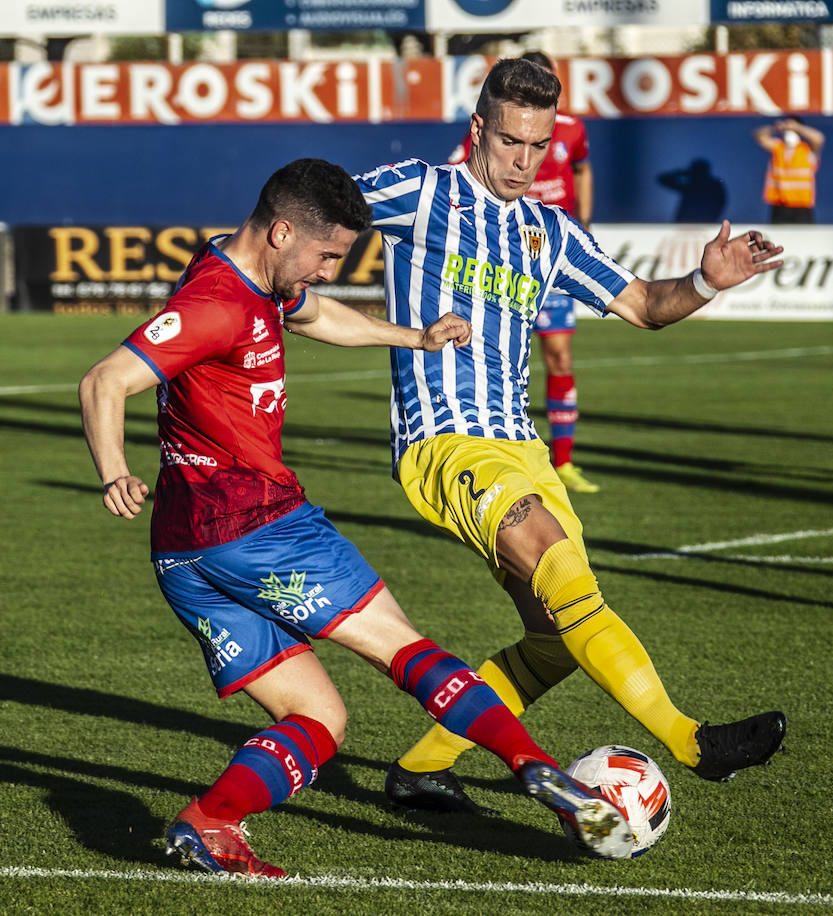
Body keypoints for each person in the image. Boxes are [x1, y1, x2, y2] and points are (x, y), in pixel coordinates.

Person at [79, 158, 639, 876]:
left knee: (318, 721)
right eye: (326, 254)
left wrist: (415, 337)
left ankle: (210, 823)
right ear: (282, 231)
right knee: (403, 649)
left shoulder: (247, 270)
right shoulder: (218, 303)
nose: (328, 270)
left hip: (186, 551)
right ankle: (538, 768)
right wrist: (113, 470)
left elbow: (314, 315)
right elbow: (107, 379)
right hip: (259, 526)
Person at [352, 58, 789, 814]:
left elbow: (647, 304)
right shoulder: (421, 191)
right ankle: (690, 741)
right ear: (478, 130)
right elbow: (314, 207)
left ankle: (422, 769)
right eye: (511, 142)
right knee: (562, 570)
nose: (525, 162)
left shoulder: (548, 231)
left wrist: (709, 280)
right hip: (445, 444)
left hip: (520, 449)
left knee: (554, 637)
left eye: (540, 145)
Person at [451, 52, 599, 493]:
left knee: (559, 356)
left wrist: (585, 220)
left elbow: (583, 169)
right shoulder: (496, 126)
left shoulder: (571, 128)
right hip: (502, 253)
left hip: (550, 254)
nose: (526, 157)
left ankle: (565, 460)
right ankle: (487, 445)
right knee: (492, 357)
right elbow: (461, 168)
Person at [754, 116, 824, 224]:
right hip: (780, 206)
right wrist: (776, 128)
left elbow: (818, 138)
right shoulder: (778, 148)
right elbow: (759, 136)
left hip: (802, 207)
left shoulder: (807, 150)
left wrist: (797, 127)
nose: (789, 132)